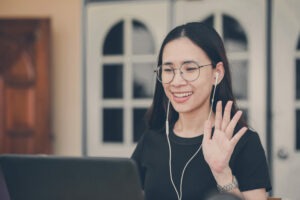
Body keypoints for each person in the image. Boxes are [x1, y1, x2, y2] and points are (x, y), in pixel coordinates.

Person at [131, 22, 271, 200]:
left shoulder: (243, 142)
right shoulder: (150, 140)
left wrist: (222, 173)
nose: (176, 81)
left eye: (190, 69)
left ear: (217, 73)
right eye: (168, 70)